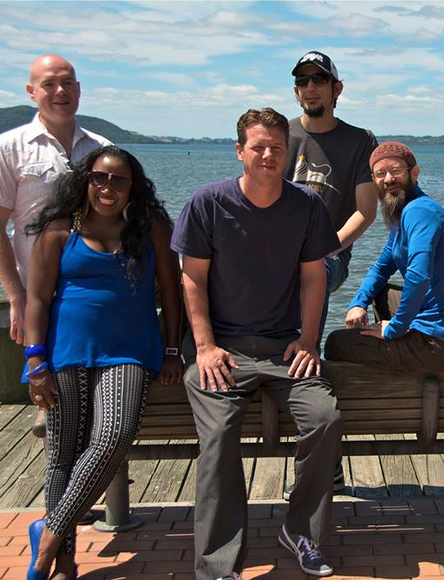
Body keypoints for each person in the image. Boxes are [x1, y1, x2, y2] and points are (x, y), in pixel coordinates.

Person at [171, 108, 342, 579]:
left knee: (324, 419)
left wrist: (309, 340)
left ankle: (301, 531)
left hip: (284, 349)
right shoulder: (208, 203)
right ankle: (219, 566)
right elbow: (191, 279)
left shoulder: (307, 206)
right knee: (220, 435)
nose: (268, 155)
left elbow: (314, 278)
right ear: (239, 151)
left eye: (277, 148)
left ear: (289, 153)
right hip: (221, 349)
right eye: (258, 146)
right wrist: (204, 347)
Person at [23, 146, 183, 580]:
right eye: (100, 177)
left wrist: (172, 349)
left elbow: (172, 292)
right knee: (63, 455)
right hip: (66, 350)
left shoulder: (151, 227)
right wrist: (34, 363)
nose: (108, 187)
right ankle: (63, 563)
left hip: (130, 350)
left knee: (115, 433)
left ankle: (49, 533)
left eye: (119, 180)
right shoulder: (59, 229)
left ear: (134, 187)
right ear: (86, 179)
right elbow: (37, 299)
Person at [284, 50, 378, 498]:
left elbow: (365, 212)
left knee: (306, 329)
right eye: (303, 80)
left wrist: (322, 247)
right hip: (276, 260)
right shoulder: (280, 135)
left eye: (319, 79)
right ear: (296, 90)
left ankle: (319, 465)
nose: (311, 87)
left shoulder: (360, 141)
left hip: (328, 258)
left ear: (336, 89)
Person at [0, 53, 111, 344]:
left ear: (78, 89)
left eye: (67, 83)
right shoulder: (9, 147)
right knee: (40, 371)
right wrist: (16, 297)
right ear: (31, 92)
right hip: (37, 295)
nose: (60, 91)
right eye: (49, 84)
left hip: (95, 292)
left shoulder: (103, 149)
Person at [325, 141, 444, 370]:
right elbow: (380, 268)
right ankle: (394, 352)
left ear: (414, 173)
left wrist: (394, 328)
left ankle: (396, 369)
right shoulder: (402, 214)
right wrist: (357, 303)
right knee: (380, 292)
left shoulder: (419, 211)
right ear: (373, 180)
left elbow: (419, 276)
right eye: (380, 174)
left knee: (335, 344)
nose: (388, 179)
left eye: (396, 170)